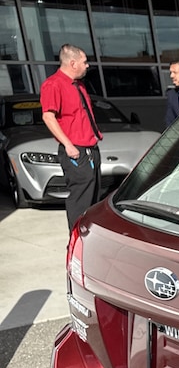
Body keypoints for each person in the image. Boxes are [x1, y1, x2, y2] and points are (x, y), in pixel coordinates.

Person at [40, 44, 102, 230]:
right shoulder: (53, 84)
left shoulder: (79, 85)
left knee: (93, 197)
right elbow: (48, 116)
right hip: (76, 151)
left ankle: (90, 238)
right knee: (81, 198)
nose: (88, 65)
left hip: (90, 148)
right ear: (73, 63)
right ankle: (77, 240)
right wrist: (68, 145)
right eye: (84, 61)